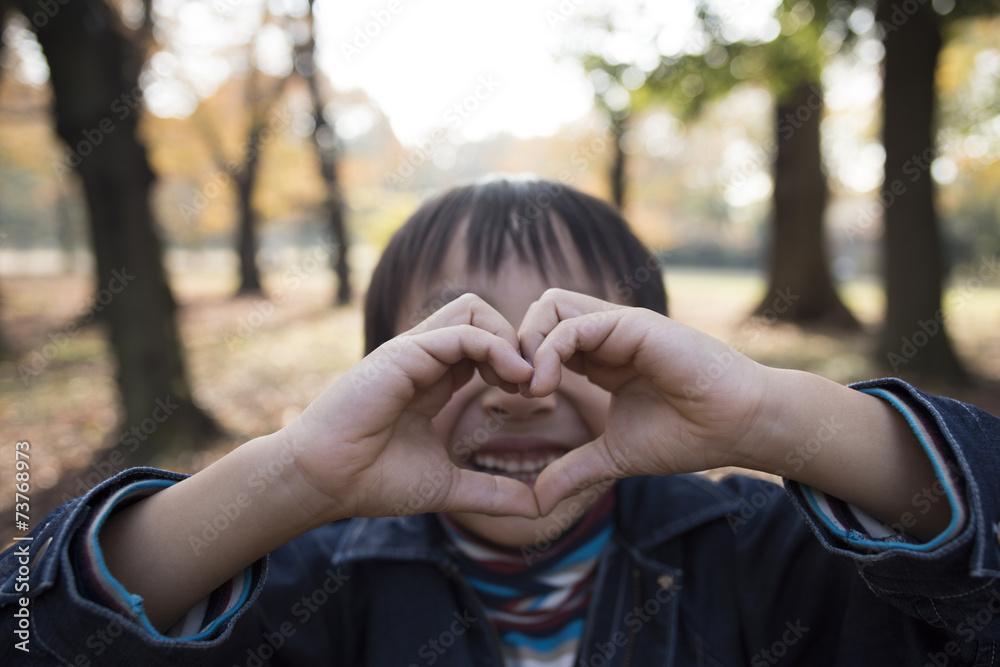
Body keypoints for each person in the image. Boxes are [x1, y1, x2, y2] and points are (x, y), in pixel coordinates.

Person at [2, 176, 999, 666]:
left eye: (585, 338)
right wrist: (296, 473)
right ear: (380, 373)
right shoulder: (313, 579)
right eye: (459, 341)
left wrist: (773, 413)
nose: (521, 382)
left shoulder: (761, 553)